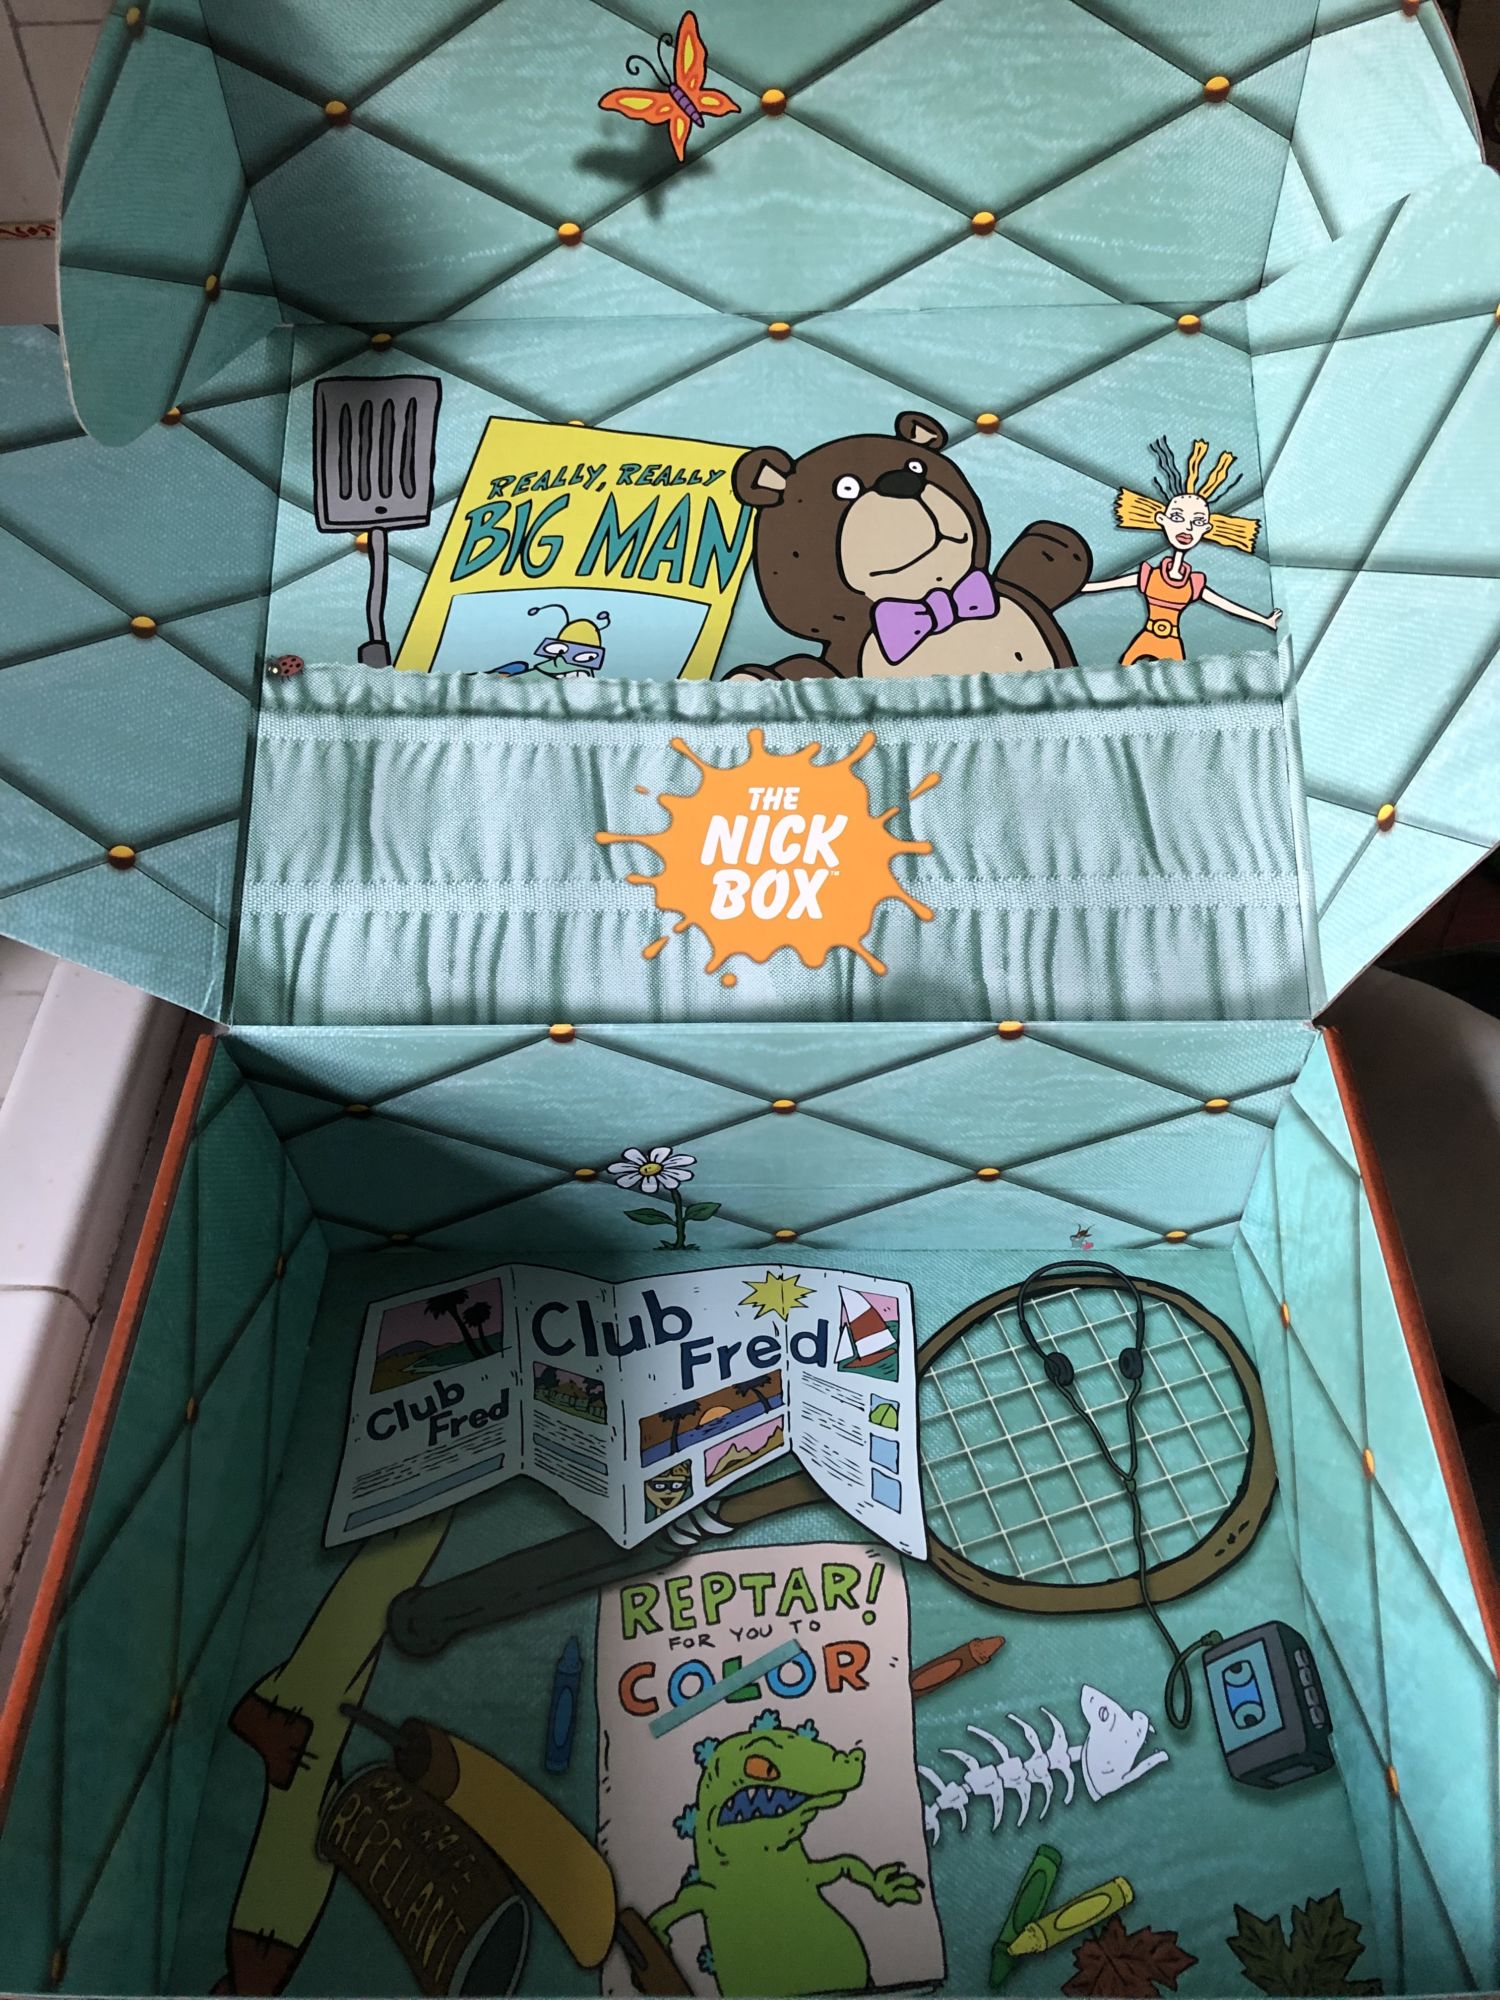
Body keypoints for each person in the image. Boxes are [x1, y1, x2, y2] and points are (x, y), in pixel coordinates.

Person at [1081, 437, 1281, 664]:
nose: (1187, 528)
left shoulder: (1193, 584)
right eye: (1177, 518)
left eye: (1197, 522)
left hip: (1172, 643)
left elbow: (1227, 605)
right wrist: (1070, 586)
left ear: (1206, 528)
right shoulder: (1148, 576)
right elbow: (1104, 585)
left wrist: (1264, 620)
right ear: (1162, 519)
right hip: (1145, 638)